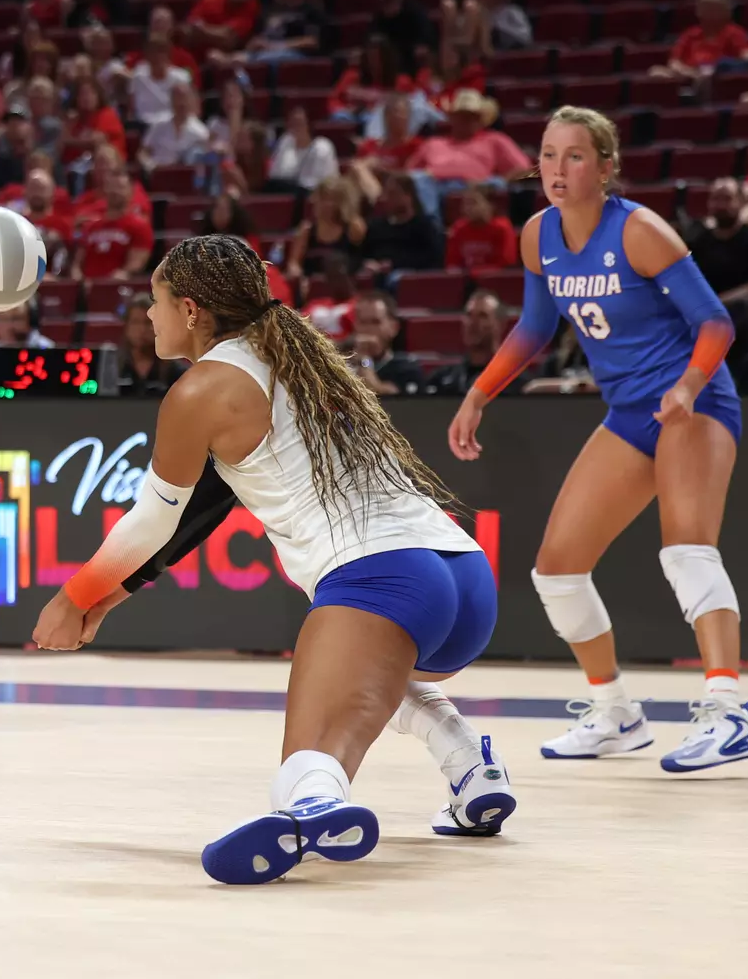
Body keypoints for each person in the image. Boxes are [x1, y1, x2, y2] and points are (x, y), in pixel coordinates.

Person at [32, 234, 512, 885]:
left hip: (384, 581)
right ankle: (468, 764)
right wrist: (109, 598)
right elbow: (204, 508)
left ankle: (313, 805)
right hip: (461, 576)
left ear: (192, 309)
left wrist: (73, 597)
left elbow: (153, 521)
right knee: (367, 676)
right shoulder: (298, 354)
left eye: (155, 301)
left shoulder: (203, 388)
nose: (148, 317)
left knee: (312, 761)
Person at [448, 105, 748, 773]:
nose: (556, 170)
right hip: (628, 413)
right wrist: (479, 392)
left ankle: (727, 712)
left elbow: (716, 324)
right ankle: (615, 712)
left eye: (573, 156)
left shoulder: (641, 232)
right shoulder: (537, 235)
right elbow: (534, 329)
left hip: (693, 402)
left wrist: (685, 387)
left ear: (605, 166)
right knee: (556, 570)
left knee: (685, 550)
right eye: (546, 155)